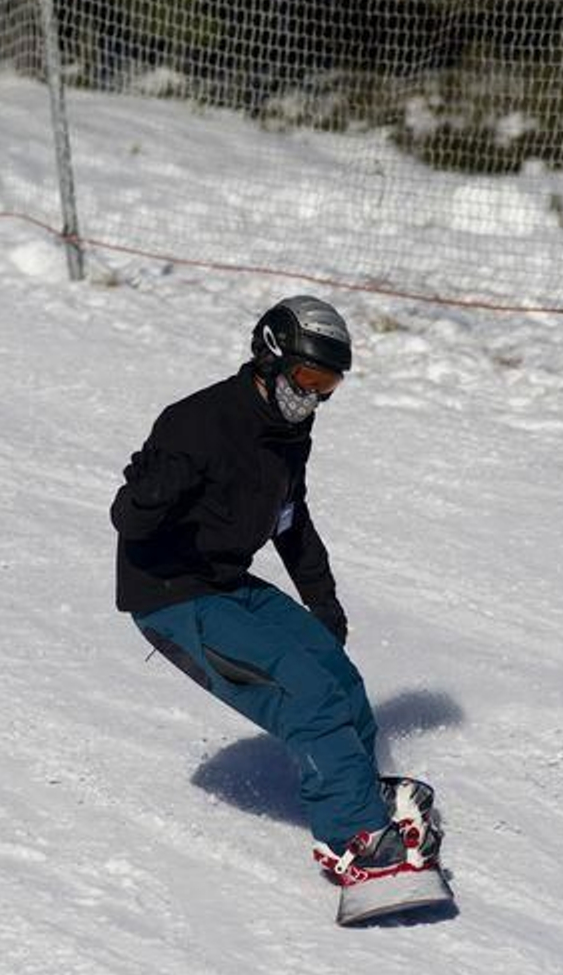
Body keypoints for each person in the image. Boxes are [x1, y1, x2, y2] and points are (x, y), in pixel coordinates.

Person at [110, 295, 438, 890]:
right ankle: (351, 840)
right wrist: (148, 493)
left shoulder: (290, 431)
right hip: (172, 595)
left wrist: (322, 600)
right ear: (270, 358)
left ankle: (358, 792)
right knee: (308, 692)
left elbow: (290, 517)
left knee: (335, 671)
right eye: (307, 378)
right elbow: (129, 519)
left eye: (328, 385)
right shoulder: (196, 424)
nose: (313, 397)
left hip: (226, 581)